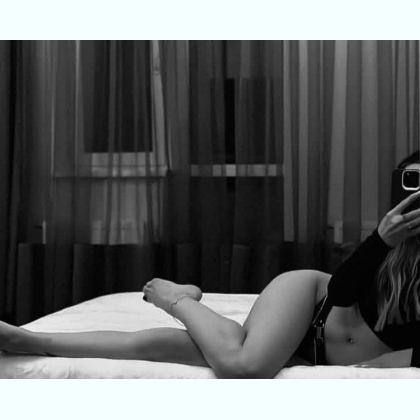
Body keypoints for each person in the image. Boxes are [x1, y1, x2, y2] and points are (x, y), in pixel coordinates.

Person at [1, 153, 420, 378]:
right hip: (310, 303)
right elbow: (342, 292)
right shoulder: (386, 247)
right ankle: (177, 300)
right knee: (245, 366)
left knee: (158, 348)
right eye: (411, 182)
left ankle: (30, 340)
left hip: (314, 357)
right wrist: (381, 239)